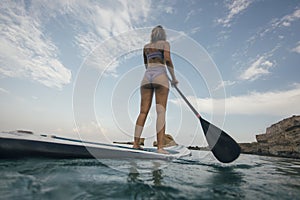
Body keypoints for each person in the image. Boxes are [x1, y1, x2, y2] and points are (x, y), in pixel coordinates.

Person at [133, 25, 178, 154]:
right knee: (161, 112)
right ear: (162, 34)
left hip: (147, 76)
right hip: (160, 75)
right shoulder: (165, 44)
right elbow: (168, 60)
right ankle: (160, 148)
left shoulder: (146, 47)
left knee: (143, 112)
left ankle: (136, 144)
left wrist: (152, 71)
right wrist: (173, 78)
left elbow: (146, 64)